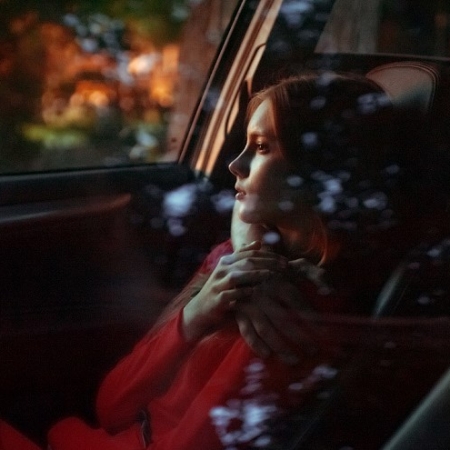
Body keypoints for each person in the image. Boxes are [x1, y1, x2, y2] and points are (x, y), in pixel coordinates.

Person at [0, 72, 437, 449]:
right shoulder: (233, 265)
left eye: (261, 147)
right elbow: (111, 405)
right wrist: (195, 314)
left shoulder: (285, 317)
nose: (234, 164)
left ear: (319, 170)